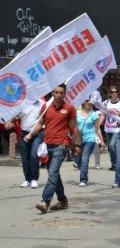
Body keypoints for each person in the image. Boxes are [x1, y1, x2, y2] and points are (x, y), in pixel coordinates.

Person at [25, 84, 81, 213]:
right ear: (52, 93)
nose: (59, 95)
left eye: (61, 93)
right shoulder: (46, 107)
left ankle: (45, 201)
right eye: (56, 92)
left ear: (65, 94)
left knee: (53, 174)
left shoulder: (69, 108)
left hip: (61, 145)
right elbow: (40, 123)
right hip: (47, 146)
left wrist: (77, 144)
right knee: (54, 175)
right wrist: (30, 134)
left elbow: (74, 127)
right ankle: (62, 200)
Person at [13, 99, 45, 188]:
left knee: (34, 155)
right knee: (25, 158)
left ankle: (34, 179)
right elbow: (16, 116)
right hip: (24, 133)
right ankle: (27, 179)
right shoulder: (21, 103)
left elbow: (45, 118)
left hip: (37, 133)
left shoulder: (42, 103)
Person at [74, 99, 105, 187]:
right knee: (78, 160)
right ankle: (83, 171)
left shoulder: (94, 114)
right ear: (83, 102)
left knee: (85, 159)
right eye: (87, 101)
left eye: (90, 101)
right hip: (78, 139)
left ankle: (83, 179)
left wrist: (102, 141)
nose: (89, 103)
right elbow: (73, 125)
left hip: (90, 139)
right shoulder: (77, 113)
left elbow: (97, 129)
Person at [98, 86, 120, 171]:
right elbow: (103, 115)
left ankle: (117, 164)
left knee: (112, 145)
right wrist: (98, 125)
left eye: (115, 92)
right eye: (112, 92)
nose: (114, 93)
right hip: (108, 129)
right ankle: (114, 164)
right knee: (110, 147)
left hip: (117, 129)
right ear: (109, 94)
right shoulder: (105, 103)